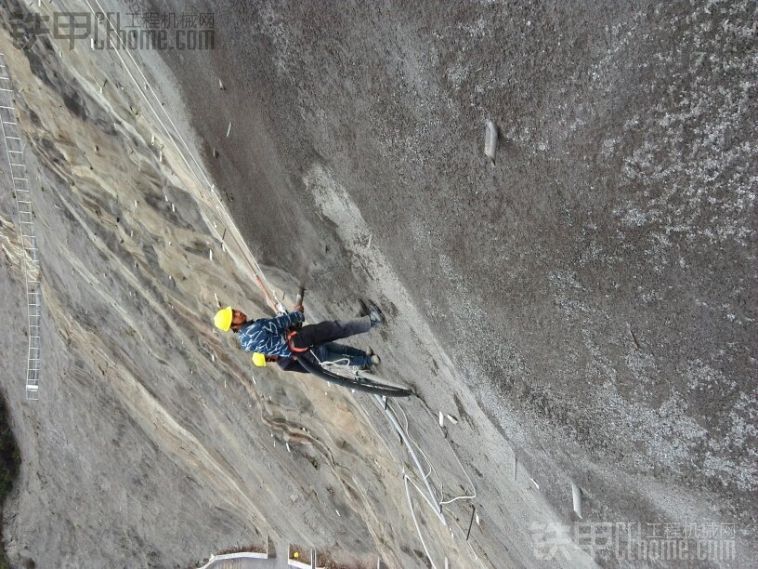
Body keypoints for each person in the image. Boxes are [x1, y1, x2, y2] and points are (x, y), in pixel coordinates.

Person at [213, 300, 383, 369]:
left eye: (235, 311)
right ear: (232, 325)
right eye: (235, 316)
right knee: (336, 328)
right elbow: (279, 323)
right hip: (299, 338)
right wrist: (297, 314)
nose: (239, 314)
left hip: (297, 350)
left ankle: (366, 354)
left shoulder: (246, 343)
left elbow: (275, 338)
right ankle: (372, 321)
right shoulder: (255, 328)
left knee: (335, 340)